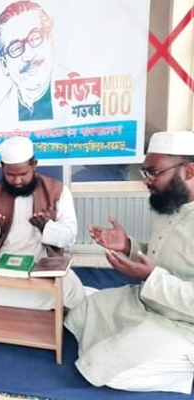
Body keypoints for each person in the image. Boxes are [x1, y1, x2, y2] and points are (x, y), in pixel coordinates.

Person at [66, 131, 194, 394]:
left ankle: (185, 369)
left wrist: (149, 277)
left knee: (115, 374)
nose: (147, 181)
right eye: (145, 172)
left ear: (189, 171)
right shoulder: (171, 205)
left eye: (154, 172)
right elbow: (161, 257)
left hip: (183, 324)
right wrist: (128, 245)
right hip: (149, 302)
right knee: (88, 307)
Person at [0, 136, 84, 309]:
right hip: (1, 263)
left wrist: (46, 227)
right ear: (2, 167)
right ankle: (40, 304)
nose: (17, 181)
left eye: (23, 174)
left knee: (71, 286)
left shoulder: (58, 190)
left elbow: (69, 237)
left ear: (34, 165)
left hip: (41, 264)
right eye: (10, 175)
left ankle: (13, 303)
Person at [0, 0, 55, 123]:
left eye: (35, 38)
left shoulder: (82, 95)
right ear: (4, 65)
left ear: (50, 39)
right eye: (15, 48)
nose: (29, 55)